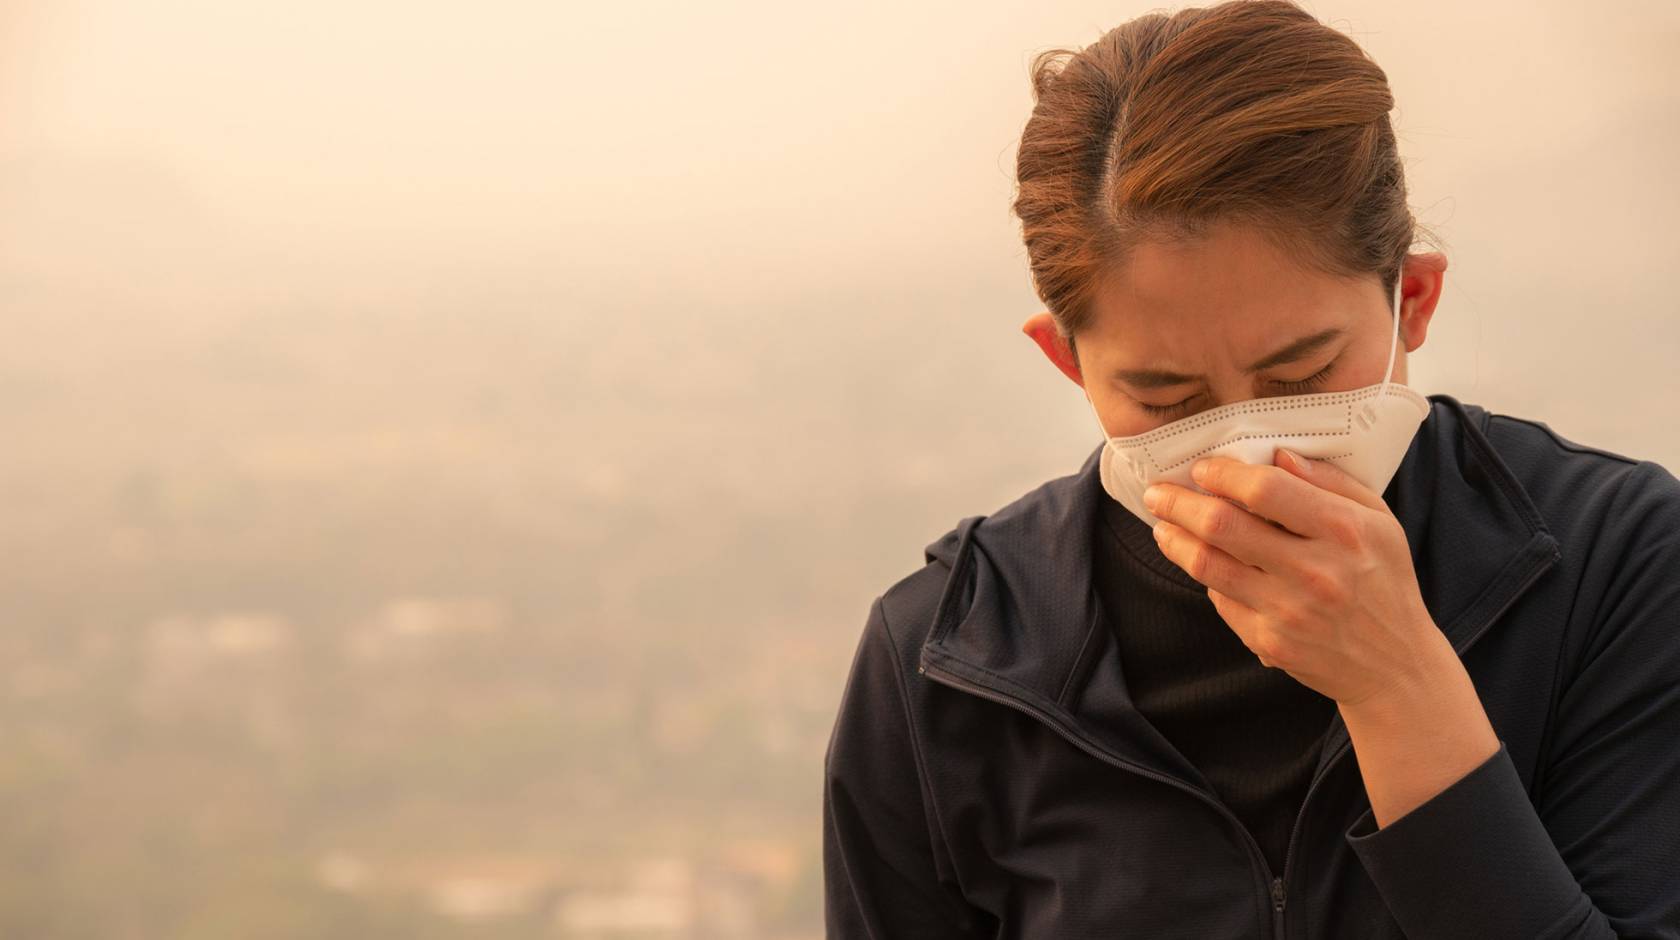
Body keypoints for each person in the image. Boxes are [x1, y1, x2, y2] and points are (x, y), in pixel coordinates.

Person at [820, 1, 1680, 937]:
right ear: (1067, 361)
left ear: (1415, 300)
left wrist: (1397, 687)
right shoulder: (953, 661)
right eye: (1164, 399)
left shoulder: (1616, 565)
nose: (1242, 444)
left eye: (1301, 375)